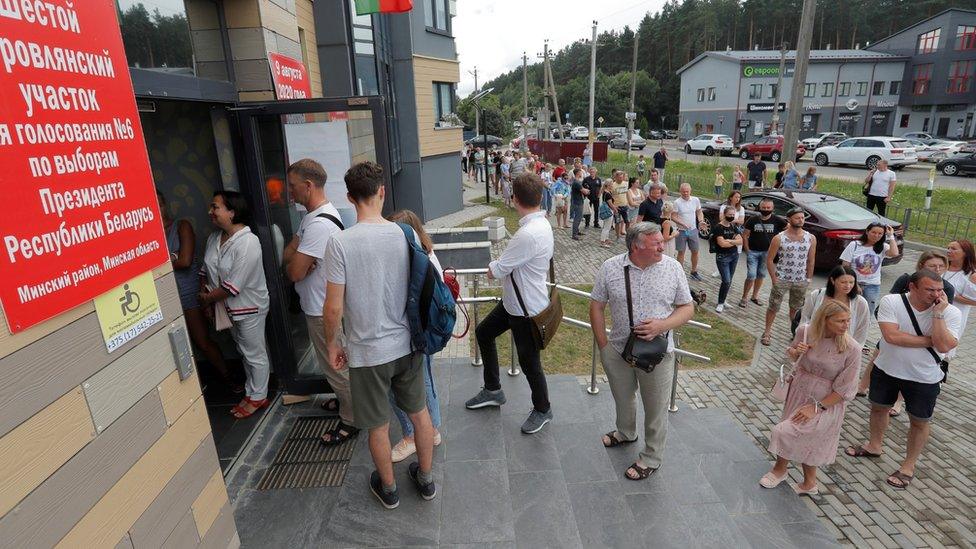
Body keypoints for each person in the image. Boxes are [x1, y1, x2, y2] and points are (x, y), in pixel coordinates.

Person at [323, 161, 436, 509]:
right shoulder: (406, 234)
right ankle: (427, 479)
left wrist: (333, 344)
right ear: (382, 192)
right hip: (407, 345)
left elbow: (333, 308)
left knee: (377, 426)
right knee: (419, 414)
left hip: (367, 352)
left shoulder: (340, 243)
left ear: (349, 197)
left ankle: (388, 488)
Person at [590, 222, 694, 480]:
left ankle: (651, 457)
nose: (663, 245)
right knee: (623, 398)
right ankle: (625, 433)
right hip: (618, 351)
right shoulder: (611, 267)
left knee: (656, 409)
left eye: (662, 241)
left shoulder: (673, 268)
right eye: (657, 243)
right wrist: (604, 345)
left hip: (657, 355)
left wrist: (662, 325)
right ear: (636, 246)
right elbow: (596, 306)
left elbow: (687, 308)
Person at [845, 270, 960, 491]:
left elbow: (944, 346)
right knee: (878, 409)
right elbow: (892, 337)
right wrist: (931, 340)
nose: (936, 294)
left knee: (919, 421)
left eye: (939, 290)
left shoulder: (950, 312)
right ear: (912, 287)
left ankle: (908, 466)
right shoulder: (892, 301)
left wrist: (938, 315)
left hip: (924, 378)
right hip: (886, 369)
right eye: (930, 289)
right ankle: (874, 445)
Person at [466, 173, 556, 435]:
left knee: (530, 364)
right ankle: (493, 389)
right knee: (484, 332)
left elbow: (497, 269)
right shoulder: (541, 224)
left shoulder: (528, 234)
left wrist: (493, 265)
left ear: (514, 198)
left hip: (525, 310)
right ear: (540, 197)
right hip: (514, 303)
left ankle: (543, 409)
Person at [282, 159, 357, 442]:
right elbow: (287, 256)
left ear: (308, 185)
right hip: (318, 305)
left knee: (335, 366)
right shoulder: (313, 217)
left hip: (321, 309)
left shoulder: (317, 226)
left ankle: (351, 420)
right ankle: (346, 402)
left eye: (292, 186)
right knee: (337, 365)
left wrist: (296, 262)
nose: (290, 192)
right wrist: (295, 259)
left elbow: (292, 271)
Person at [760, 301, 861, 495]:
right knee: (800, 433)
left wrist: (817, 407)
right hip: (799, 390)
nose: (846, 325)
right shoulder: (805, 331)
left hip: (827, 400)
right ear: (825, 319)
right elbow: (791, 354)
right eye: (840, 321)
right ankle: (805, 482)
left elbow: (845, 390)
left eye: (848, 320)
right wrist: (796, 352)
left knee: (787, 431)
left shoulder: (852, 348)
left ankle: (782, 472)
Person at [158, 191, 240, 393]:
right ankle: (191, 390)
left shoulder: (181, 226)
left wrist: (162, 261)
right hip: (162, 296)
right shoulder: (146, 232)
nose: (156, 209)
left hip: (187, 292)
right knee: (171, 345)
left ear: (165, 204)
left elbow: (185, 260)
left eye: (158, 204)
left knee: (202, 340)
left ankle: (230, 380)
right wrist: (172, 257)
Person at [200, 191, 271, 419]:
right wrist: (208, 299)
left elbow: (233, 287)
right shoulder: (214, 238)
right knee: (243, 351)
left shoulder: (249, 242)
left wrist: (206, 300)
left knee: (254, 354)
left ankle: (258, 396)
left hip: (249, 307)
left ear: (232, 211)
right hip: (225, 308)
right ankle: (252, 393)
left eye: (215, 207)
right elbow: (205, 271)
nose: (211, 211)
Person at [857, 251, 956, 403]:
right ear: (922, 265)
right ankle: (862, 386)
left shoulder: (946, 288)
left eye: (941, 266)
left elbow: (945, 319)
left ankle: (897, 402)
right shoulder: (906, 279)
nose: (937, 269)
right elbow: (890, 329)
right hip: (895, 326)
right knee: (878, 356)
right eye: (932, 266)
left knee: (909, 369)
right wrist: (932, 341)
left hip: (925, 333)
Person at [386, 210, 444, 462]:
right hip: (425, 333)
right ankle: (432, 430)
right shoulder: (426, 253)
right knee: (426, 379)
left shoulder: (414, 261)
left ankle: (413, 436)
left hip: (413, 335)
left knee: (402, 385)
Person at [761, 207, 816, 346]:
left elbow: (811, 260)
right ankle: (767, 332)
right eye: (797, 218)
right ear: (789, 219)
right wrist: (774, 279)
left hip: (800, 280)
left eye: (802, 218)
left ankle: (796, 333)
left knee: (796, 310)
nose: (801, 220)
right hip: (782, 279)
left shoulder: (810, 238)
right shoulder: (779, 238)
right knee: (773, 307)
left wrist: (809, 279)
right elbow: (769, 259)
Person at [799, 265, 871, 346]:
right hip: (814, 343)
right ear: (833, 280)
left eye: (851, 282)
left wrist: (855, 349)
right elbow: (805, 318)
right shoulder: (817, 295)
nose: (848, 286)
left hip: (842, 346)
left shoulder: (860, 303)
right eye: (843, 282)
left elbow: (862, 329)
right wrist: (802, 339)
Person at [840, 222, 900, 315]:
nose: (876, 236)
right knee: (848, 311)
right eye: (874, 232)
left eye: (880, 233)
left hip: (872, 286)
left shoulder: (883, 247)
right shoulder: (855, 245)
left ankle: (863, 329)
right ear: (867, 231)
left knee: (867, 313)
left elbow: (894, 253)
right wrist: (854, 284)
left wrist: (891, 236)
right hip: (852, 284)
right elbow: (845, 266)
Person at [739, 198, 786, 308]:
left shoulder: (777, 220)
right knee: (751, 275)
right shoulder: (753, 220)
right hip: (753, 252)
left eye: (768, 208)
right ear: (759, 208)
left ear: (772, 208)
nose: (766, 209)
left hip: (767, 254)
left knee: (761, 274)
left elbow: (788, 229)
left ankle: (754, 296)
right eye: (763, 208)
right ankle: (744, 297)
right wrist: (747, 249)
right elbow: (745, 235)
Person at [672, 183, 708, 281]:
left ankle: (694, 271)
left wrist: (701, 221)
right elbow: (673, 216)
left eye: (687, 191)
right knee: (681, 252)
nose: (685, 193)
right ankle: (680, 272)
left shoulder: (695, 200)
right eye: (683, 192)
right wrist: (681, 223)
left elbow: (699, 212)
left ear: (690, 191)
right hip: (682, 231)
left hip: (693, 230)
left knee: (695, 251)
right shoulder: (677, 202)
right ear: (680, 191)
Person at [711, 205, 742, 312]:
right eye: (730, 215)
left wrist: (730, 241)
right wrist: (733, 242)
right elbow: (722, 244)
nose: (732, 217)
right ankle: (720, 302)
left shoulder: (733, 226)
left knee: (729, 280)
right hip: (722, 257)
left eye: (733, 215)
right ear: (724, 214)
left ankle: (724, 300)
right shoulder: (718, 228)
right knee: (726, 281)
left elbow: (741, 241)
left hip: (734, 256)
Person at [570, 168, 589, 240]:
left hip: (578, 201)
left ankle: (577, 231)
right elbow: (585, 191)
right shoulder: (576, 183)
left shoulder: (577, 181)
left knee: (579, 217)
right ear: (578, 173)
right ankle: (574, 234)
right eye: (581, 172)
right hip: (577, 202)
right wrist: (587, 190)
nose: (582, 173)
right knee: (577, 218)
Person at [599, 178, 617, 248]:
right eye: (612, 184)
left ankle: (606, 239)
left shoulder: (606, 192)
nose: (612, 185)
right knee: (606, 227)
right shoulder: (608, 194)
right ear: (609, 185)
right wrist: (615, 209)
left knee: (607, 226)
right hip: (609, 211)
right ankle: (602, 241)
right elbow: (610, 204)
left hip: (608, 210)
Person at [612, 171, 630, 237]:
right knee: (617, 221)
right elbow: (610, 196)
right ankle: (617, 235)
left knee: (627, 221)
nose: (621, 179)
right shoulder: (613, 185)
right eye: (620, 177)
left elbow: (628, 193)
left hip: (625, 205)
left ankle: (628, 234)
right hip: (617, 207)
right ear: (616, 177)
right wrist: (613, 205)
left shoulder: (626, 184)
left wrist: (628, 202)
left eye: (622, 177)